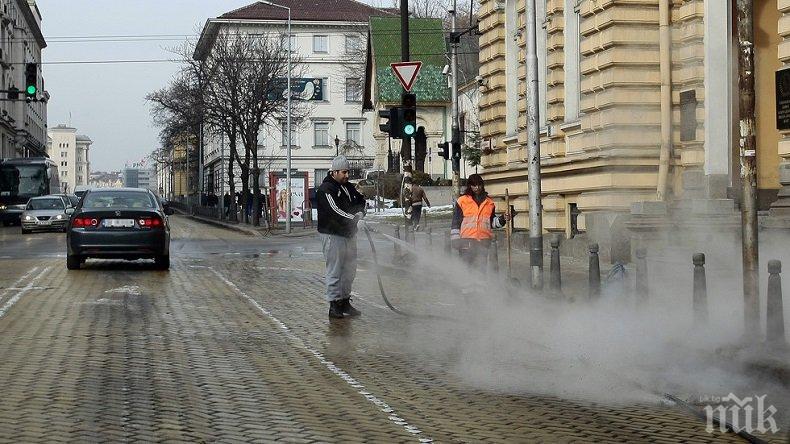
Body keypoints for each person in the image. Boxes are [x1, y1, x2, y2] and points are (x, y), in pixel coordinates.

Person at [317, 155, 367, 319]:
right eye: (344, 172)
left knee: (349, 270)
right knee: (335, 270)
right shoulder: (326, 189)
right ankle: (334, 304)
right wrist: (354, 219)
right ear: (334, 171)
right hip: (333, 234)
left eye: (348, 172)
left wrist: (360, 212)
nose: (347, 175)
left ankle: (345, 301)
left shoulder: (348, 187)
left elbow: (360, 200)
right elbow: (335, 211)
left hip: (348, 234)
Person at [450, 174, 511, 267]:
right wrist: (455, 239)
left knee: (480, 271)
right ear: (470, 186)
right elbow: (456, 222)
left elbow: (491, 223)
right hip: (466, 242)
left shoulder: (489, 203)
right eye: (474, 185)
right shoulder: (462, 201)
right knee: (466, 269)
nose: (477, 188)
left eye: (479, 185)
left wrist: (502, 219)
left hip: (483, 242)